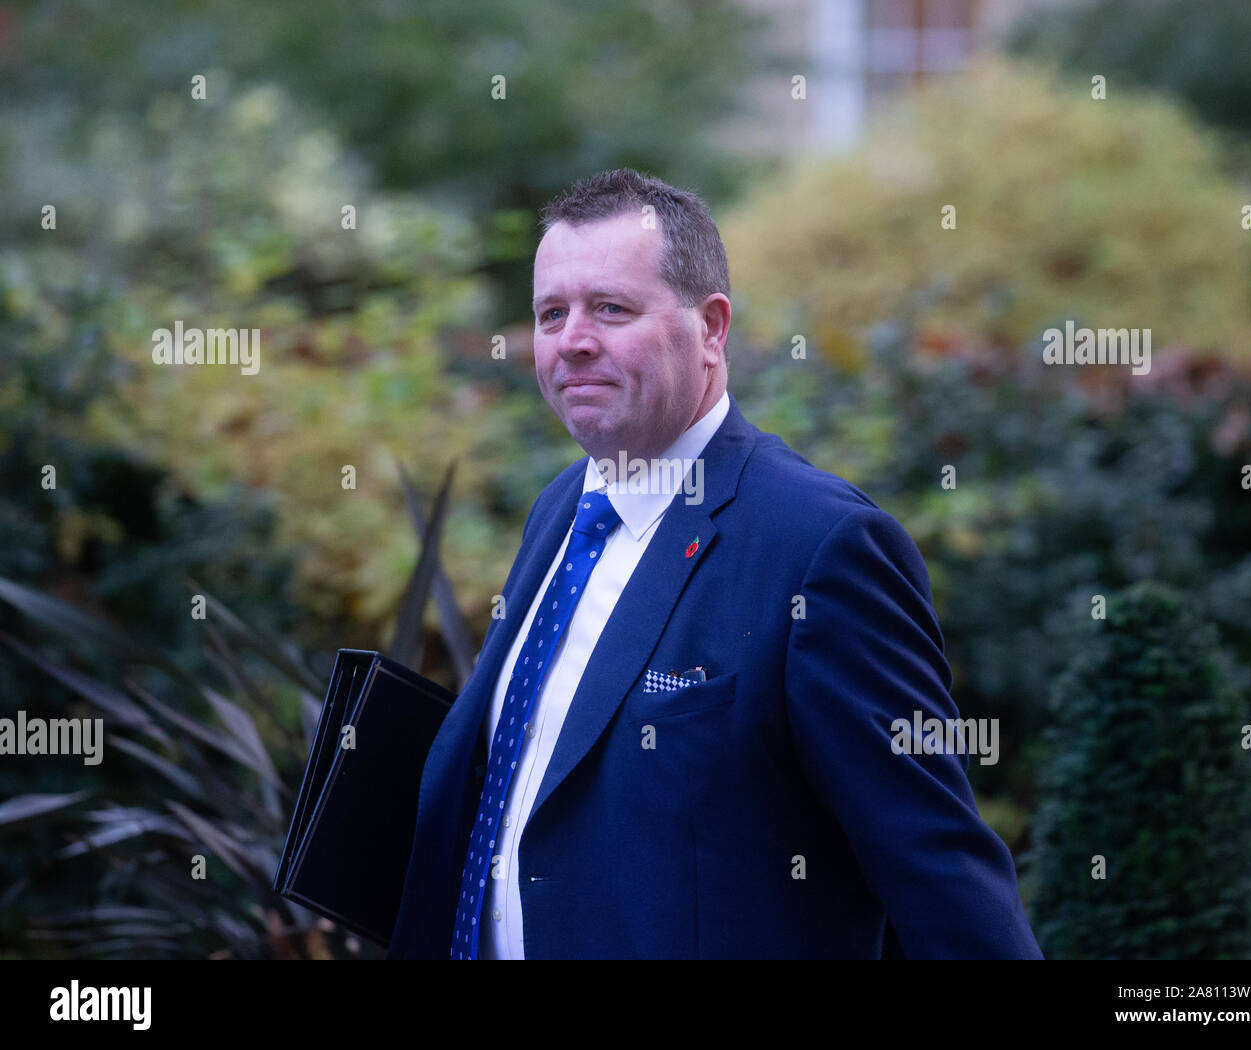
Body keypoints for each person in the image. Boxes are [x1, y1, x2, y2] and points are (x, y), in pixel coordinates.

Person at [388, 168, 1042, 959]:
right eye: (550, 313)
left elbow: (939, 872)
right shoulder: (563, 507)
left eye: (612, 308)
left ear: (712, 328)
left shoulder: (820, 549)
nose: (573, 339)